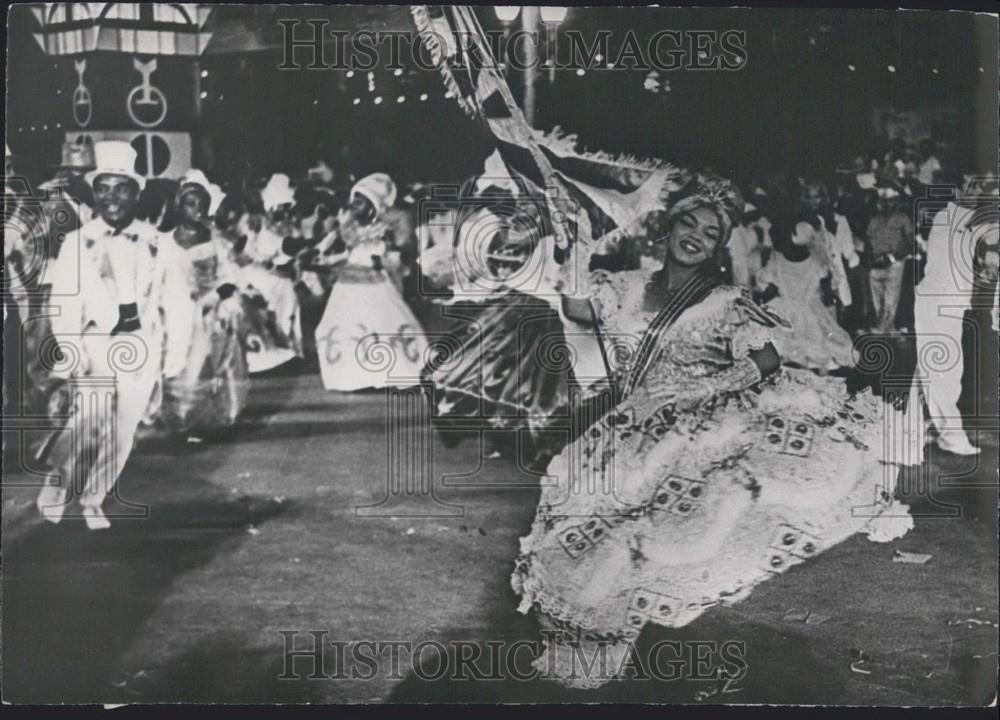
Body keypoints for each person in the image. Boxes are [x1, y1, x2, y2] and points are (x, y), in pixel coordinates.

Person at [510, 174, 913, 688]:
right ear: (669, 227)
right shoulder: (628, 284)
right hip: (626, 430)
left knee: (652, 538)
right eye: (689, 223)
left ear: (720, 246)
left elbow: (767, 359)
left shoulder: (726, 299)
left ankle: (637, 656)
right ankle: (587, 658)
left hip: (693, 432)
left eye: (710, 231)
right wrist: (576, 246)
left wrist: (704, 389)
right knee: (584, 529)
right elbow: (578, 308)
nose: (695, 235)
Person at [35, 141, 193, 530]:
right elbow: (65, 303)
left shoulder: (161, 242)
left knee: (122, 432)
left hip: (141, 345)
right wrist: (71, 349)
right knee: (86, 419)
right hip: (95, 344)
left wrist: (176, 350)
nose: (111, 197)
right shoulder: (77, 242)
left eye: (121, 188)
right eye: (103, 188)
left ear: (136, 192)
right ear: (94, 192)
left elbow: (178, 300)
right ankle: (56, 485)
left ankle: (94, 498)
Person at [155, 170, 250, 433]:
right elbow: (157, 279)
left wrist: (214, 297)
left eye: (202, 204)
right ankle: (177, 414)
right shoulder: (163, 242)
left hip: (208, 310)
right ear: (179, 206)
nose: (197, 209)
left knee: (204, 361)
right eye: (191, 203)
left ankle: (205, 418)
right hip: (174, 309)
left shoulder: (214, 241)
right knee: (176, 362)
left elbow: (231, 276)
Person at [314, 173, 429, 391]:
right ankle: (352, 375)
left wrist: (387, 257)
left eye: (361, 201)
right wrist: (321, 255)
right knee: (347, 326)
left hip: (375, 279)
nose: (356, 206)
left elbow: (397, 251)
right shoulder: (348, 225)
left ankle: (387, 370)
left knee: (382, 322)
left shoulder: (385, 227)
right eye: (355, 200)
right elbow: (337, 245)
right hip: (350, 280)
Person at [910, 176, 999, 456]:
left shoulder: (976, 219)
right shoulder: (949, 216)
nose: (976, 191)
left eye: (980, 187)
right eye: (970, 186)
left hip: (949, 303)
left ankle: (913, 426)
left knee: (934, 369)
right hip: (936, 301)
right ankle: (951, 435)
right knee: (943, 371)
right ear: (957, 188)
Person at [756, 216, 855, 372]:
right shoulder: (817, 261)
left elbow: (766, 286)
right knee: (818, 343)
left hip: (785, 309)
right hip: (808, 311)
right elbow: (828, 295)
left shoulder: (778, 259)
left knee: (785, 343)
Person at [865, 184, 914, 334]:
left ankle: (886, 331)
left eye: (891, 201)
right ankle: (883, 330)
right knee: (877, 302)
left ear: (897, 202)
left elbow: (909, 244)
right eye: (884, 201)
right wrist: (871, 260)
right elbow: (867, 242)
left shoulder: (903, 219)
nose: (887, 204)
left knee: (891, 301)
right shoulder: (874, 220)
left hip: (894, 264)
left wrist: (892, 258)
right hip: (875, 264)